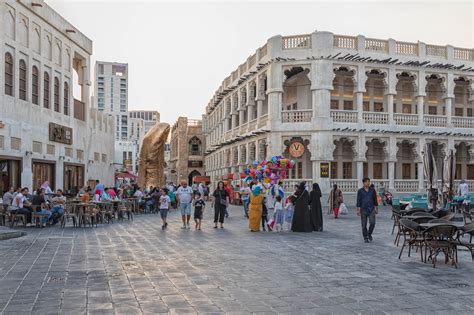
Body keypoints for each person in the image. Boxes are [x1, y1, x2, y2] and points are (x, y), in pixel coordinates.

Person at [357, 177, 378, 243]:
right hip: (363, 209)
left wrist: (376, 208)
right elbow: (358, 201)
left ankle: (369, 234)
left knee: (372, 223)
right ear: (363, 183)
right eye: (366, 182)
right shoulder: (360, 191)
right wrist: (358, 210)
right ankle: (365, 237)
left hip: (371, 209)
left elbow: (375, 200)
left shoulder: (372, 190)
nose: (368, 183)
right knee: (364, 225)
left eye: (368, 182)